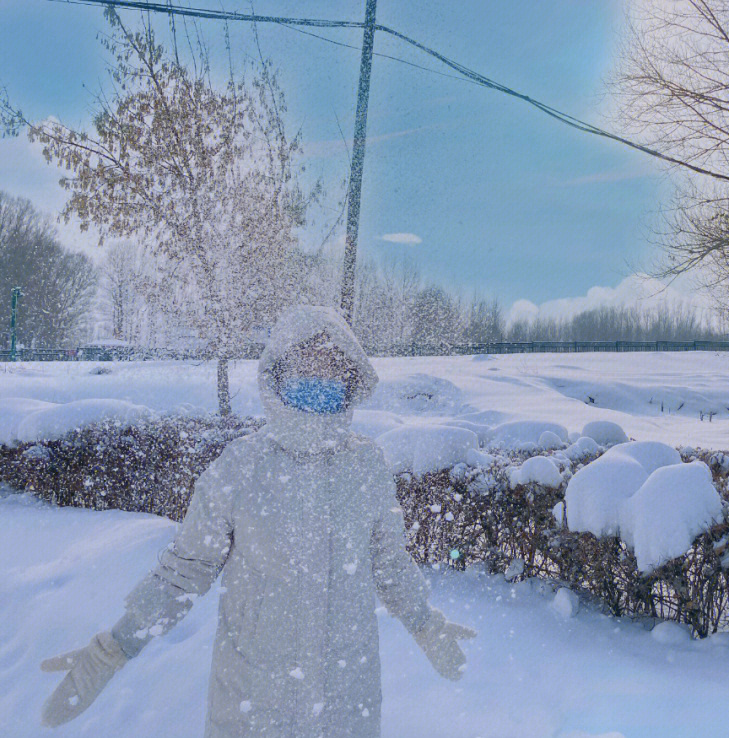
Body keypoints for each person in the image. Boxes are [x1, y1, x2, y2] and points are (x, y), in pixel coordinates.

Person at [40, 305, 475, 737]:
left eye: (333, 366)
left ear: (351, 377)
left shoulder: (366, 466)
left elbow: (390, 565)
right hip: (253, 703)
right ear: (280, 372)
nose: (320, 377)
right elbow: (184, 572)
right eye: (307, 362)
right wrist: (115, 647)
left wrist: (426, 625)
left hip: (347, 701)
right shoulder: (242, 466)